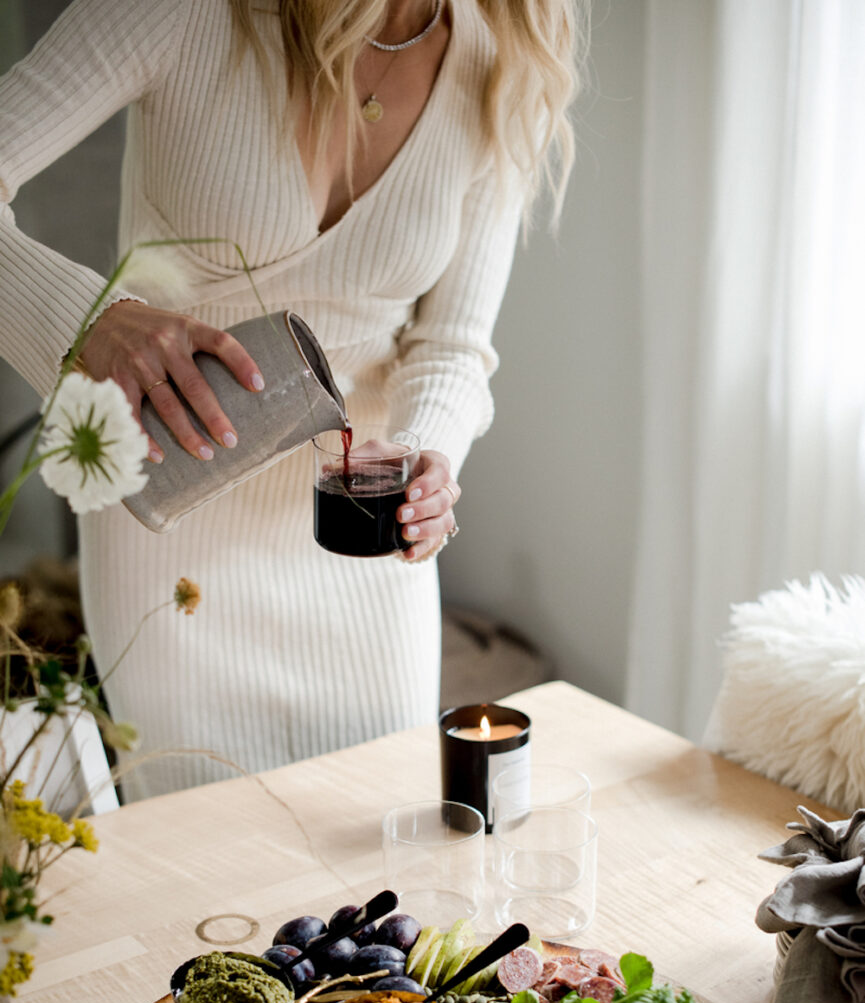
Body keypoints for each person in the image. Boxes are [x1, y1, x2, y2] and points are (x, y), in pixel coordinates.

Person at [0, 0, 587, 798]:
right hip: (177, 517)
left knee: (376, 827)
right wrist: (92, 324)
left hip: (363, 532)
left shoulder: (502, 63)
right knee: (207, 848)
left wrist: (429, 452)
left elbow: (450, 343)